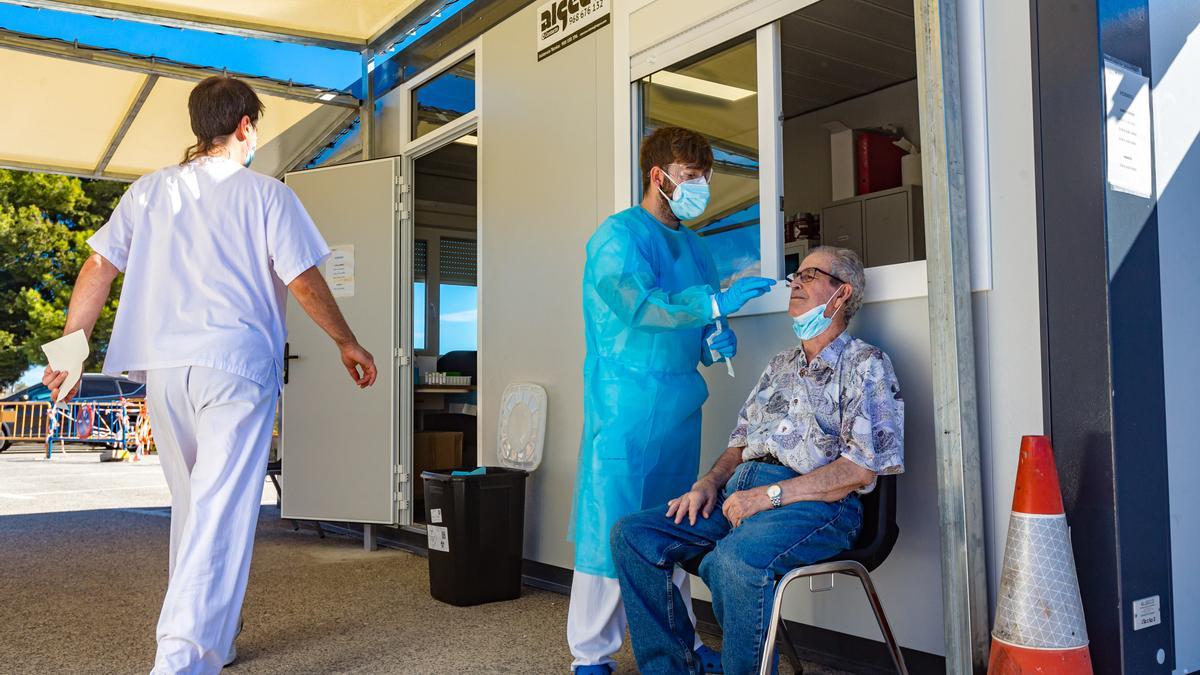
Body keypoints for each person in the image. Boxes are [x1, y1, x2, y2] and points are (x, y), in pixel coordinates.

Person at [42, 76, 377, 674]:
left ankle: (211, 641)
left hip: (166, 370)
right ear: (246, 125)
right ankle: (179, 660)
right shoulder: (266, 195)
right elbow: (301, 279)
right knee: (220, 508)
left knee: (195, 507)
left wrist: (71, 351)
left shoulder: (147, 192)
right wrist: (346, 341)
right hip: (236, 368)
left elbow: (99, 264)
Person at [610, 247, 905, 675]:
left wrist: (768, 496)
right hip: (741, 493)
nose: (796, 282)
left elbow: (859, 469)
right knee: (633, 534)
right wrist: (708, 484)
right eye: (795, 275)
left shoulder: (867, 365)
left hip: (817, 505)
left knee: (733, 562)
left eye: (810, 274)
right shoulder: (780, 365)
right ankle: (671, 668)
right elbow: (739, 443)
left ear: (841, 295)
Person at [568, 126, 776, 674]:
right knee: (609, 526)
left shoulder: (696, 247)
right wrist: (713, 301)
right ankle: (591, 654)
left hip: (680, 409)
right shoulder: (617, 238)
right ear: (658, 176)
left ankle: (680, 642)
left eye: (705, 178)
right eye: (690, 178)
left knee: (676, 525)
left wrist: (715, 339)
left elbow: (698, 325)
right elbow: (641, 308)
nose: (700, 188)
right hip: (627, 407)